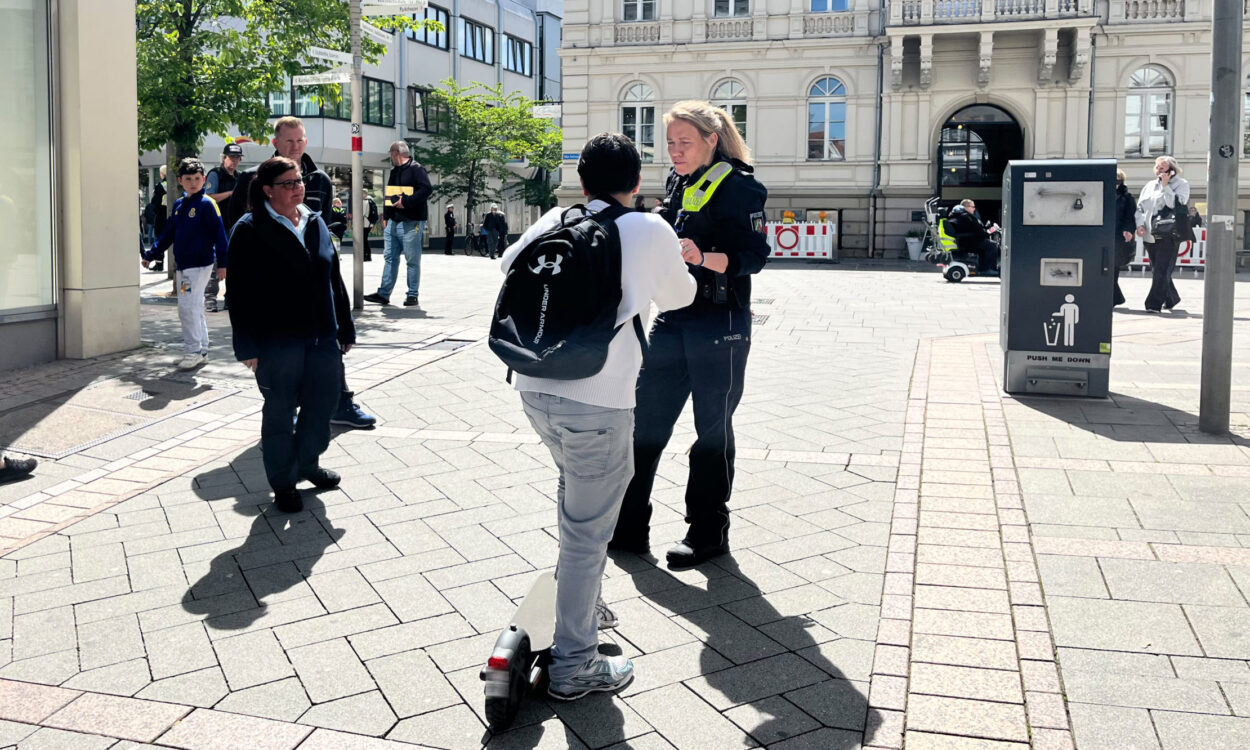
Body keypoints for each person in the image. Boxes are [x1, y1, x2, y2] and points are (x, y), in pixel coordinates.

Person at [502, 132, 696, 701]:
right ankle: (574, 664)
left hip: (535, 388)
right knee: (589, 534)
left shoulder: (552, 221)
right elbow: (680, 297)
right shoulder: (648, 227)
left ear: (582, 181)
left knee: (577, 503)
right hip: (598, 400)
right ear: (638, 182)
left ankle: (580, 608)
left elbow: (509, 268)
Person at [610, 100, 770, 568]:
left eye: (684, 142)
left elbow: (755, 258)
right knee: (643, 423)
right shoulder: (678, 181)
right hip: (674, 317)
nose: (675, 151)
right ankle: (629, 526)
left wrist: (703, 257)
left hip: (720, 323)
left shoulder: (741, 187)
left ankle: (707, 533)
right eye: (670, 142)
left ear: (710, 140)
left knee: (711, 433)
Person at [226, 157, 355, 513]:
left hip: (322, 337)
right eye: (288, 183)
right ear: (268, 190)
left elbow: (334, 280)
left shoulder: (314, 222)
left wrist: (345, 327)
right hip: (276, 341)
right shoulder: (250, 228)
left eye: (298, 180)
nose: (298, 187)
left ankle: (308, 464)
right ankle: (283, 483)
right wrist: (247, 346)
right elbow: (237, 293)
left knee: (322, 405)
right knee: (280, 411)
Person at [229, 117, 375, 430]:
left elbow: (322, 224)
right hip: (275, 284)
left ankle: (340, 402)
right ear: (275, 143)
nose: (294, 147)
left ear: (306, 142)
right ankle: (286, 411)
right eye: (288, 141)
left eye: (299, 141)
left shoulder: (319, 179)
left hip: (315, 277)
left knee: (328, 343)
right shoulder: (254, 179)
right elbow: (239, 230)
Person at [141, 157, 229, 371]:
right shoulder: (180, 205)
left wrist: (223, 264)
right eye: (188, 179)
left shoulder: (208, 204)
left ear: (204, 179)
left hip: (198, 265)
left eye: (197, 178)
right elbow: (168, 233)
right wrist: (152, 254)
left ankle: (193, 351)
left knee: (187, 307)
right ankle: (202, 350)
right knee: (194, 307)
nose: (192, 182)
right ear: (180, 180)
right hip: (185, 266)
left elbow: (220, 234)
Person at [364, 141, 432, 308]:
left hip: (412, 222)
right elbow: (390, 193)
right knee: (390, 258)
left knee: (412, 259)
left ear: (396, 153)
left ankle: (412, 294)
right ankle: (383, 294)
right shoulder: (395, 171)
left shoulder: (417, 169)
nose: (390, 157)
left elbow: (426, 189)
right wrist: (386, 216)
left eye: (390, 154)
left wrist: (407, 202)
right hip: (393, 222)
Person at [1135, 155, 1189, 313]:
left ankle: (1153, 304)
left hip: (1169, 234)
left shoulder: (1181, 184)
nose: (1158, 170)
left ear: (1172, 170)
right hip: (1150, 234)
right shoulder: (1150, 185)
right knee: (1158, 268)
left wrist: (1166, 187)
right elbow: (1140, 208)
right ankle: (1172, 297)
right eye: (1157, 167)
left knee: (1162, 269)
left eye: (1162, 167)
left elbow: (1177, 204)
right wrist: (1139, 225)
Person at [203, 143, 244, 312]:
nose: (234, 162)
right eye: (231, 158)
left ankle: (230, 298)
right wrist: (230, 193)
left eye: (237, 158)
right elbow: (209, 197)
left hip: (234, 225)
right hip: (216, 226)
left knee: (234, 264)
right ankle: (210, 299)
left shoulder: (240, 177)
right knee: (214, 264)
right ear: (224, 158)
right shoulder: (215, 174)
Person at [945, 199, 1000, 275]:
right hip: (969, 242)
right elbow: (981, 233)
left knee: (986, 245)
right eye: (973, 207)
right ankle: (988, 269)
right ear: (966, 207)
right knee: (992, 245)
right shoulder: (967, 217)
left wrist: (985, 229)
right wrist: (992, 229)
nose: (974, 209)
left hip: (963, 241)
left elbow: (974, 229)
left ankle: (982, 268)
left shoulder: (954, 216)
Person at [1113, 169, 1137, 307]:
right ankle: (1116, 297)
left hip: (1119, 237)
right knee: (1107, 268)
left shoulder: (1127, 197)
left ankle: (1115, 298)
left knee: (1114, 267)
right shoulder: (1102, 193)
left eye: (1118, 179)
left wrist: (1128, 230)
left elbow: (1130, 216)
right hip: (1107, 234)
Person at [143, 165, 168, 272]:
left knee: (160, 239)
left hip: (161, 216)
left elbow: (155, 203)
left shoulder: (160, 186)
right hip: (171, 214)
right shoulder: (174, 184)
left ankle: (159, 264)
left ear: (162, 174)